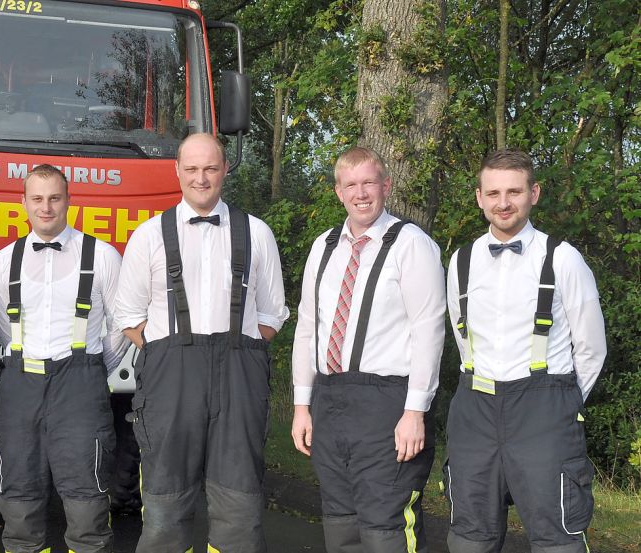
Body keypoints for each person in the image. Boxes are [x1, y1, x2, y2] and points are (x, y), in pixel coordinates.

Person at [115, 133, 289, 553]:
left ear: (225, 169)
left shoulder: (257, 233)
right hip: (170, 385)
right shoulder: (149, 235)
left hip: (238, 385)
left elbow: (271, 316)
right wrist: (170, 350)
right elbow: (128, 317)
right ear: (177, 171)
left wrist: (234, 350)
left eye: (210, 168)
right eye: (191, 169)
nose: (201, 178)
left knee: (239, 511)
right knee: (164, 510)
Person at [444, 150, 606, 553]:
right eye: (494, 192)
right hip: (475, 410)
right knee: (469, 535)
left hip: (544, 416)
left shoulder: (563, 259)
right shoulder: (460, 262)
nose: (503, 203)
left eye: (514, 191)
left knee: (557, 537)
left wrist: (558, 401)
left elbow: (591, 349)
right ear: (479, 197)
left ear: (534, 193)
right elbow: (463, 339)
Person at [291, 146, 445, 552]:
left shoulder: (412, 245)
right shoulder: (324, 246)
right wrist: (302, 406)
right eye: (351, 185)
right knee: (341, 524)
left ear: (386, 186)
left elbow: (429, 330)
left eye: (369, 183)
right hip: (330, 401)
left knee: (386, 528)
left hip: (388, 405)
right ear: (338, 191)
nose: (361, 193)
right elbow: (308, 327)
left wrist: (415, 412)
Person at [0, 164, 128, 553]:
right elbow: (3, 328)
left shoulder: (102, 256)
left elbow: (119, 326)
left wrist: (92, 366)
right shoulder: (4, 261)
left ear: (68, 201)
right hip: (21, 385)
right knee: (18, 498)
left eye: (54, 198)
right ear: (24, 203)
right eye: (37, 199)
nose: (45, 207)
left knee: (87, 502)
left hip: (80, 387)